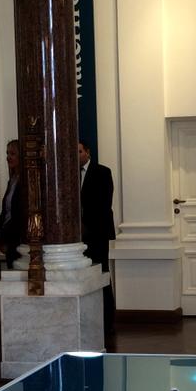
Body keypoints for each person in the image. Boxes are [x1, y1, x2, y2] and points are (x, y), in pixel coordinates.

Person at [78, 139, 115, 335]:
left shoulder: (102, 172)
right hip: (78, 237)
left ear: (88, 152)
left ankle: (107, 321)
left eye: (79, 152)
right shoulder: (69, 174)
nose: (77, 156)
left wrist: (87, 226)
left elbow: (104, 204)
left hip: (97, 233)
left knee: (101, 274)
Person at [0, 139, 26, 268]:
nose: (8, 157)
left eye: (12, 154)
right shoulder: (12, 180)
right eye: (7, 153)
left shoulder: (25, 181)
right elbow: (5, 212)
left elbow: (19, 214)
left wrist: (7, 240)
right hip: (8, 238)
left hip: (18, 240)